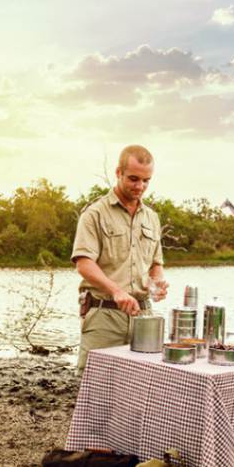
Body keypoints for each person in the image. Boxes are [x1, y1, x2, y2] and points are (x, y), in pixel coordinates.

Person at [71, 144, 168, 369]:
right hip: (104, 316)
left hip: (144, 316)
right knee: (95, 387)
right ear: (118, 173)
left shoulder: (152, 218)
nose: (140, 186)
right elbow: (84, 264)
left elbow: (156, 263)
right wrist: (116, 291)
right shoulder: (94, 214)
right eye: (133, 179)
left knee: (143, 385)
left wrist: (157, 284)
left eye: (146, 181)